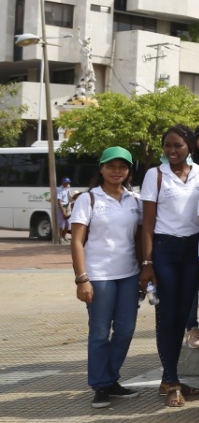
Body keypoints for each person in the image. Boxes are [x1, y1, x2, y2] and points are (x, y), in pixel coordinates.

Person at [140, 125, 199, 408]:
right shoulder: (155, 175)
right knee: (167, 316)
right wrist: (147, 262)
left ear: (190, 147)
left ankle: (172, 378)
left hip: (194, 248)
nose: (172, 151)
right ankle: (171, 380)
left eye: (178, 145)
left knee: (186, 314)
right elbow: (147, 224)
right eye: (167, 145)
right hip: (165, 249)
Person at [70, 146, 144, 409]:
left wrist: (145, 270)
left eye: (122, 167)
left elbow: (138, 237)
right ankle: (101, 385)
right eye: (111, 166)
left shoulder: (134, 200)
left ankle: (110, 379)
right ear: (101, 168)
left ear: (128, 171)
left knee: (125, 331)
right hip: (99, 276)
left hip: (129, 274)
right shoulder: (88, 199)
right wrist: (82, 278)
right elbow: (77, 242)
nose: (117, 171)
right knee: (100, 332)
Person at [57, 177, 73, 242]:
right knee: (62, 224)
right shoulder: (59, 189)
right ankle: (60, 238)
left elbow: (69, 197)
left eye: (68, 183)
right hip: (62, 206)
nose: (67, 184)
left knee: (68, 224)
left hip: (67, 206)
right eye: (66, 183)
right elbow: (59, 202)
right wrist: (63, 211)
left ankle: (64, 237)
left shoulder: (68, 188)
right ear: (63, 183)